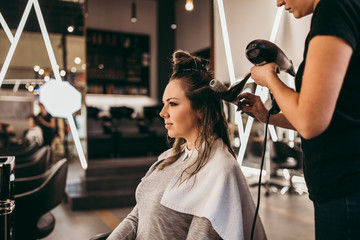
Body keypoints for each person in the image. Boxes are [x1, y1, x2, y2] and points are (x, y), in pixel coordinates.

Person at [107, 50, 267, 240]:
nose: (162, 113)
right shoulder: (167, 158)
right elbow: (136, 217)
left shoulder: (219, 171)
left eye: (173, 104)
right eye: (164, 103)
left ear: (201, 110)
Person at [238, 0, 360, 239]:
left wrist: (270, 79)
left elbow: (310, 121)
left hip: (345, 188)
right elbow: (327, 114)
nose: (279, 2)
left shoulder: (334, 9)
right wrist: (267, 116)